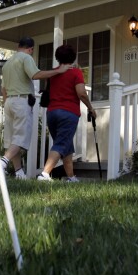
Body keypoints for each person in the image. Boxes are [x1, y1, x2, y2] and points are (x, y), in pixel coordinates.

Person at [0, 37, 69, 179]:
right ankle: (0, 164)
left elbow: (3, 89)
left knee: (12, 140)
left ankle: (19, 173)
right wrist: (58, 71)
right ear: (31, 49)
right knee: (20, 139)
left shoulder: (8, 63)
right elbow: (36, 74)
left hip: (8, 102)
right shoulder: (26, 58)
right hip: (21, 102)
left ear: (18, 46)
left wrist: (6, 103)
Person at [37, 44, 96, 183]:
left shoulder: (53, 73)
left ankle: (71, 177)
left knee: (65, 145)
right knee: (61, 143)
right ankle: (44, 174)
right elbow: (81, 93)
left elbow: (48, 91)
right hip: (68, 113)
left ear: (57, 58)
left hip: (52, 113)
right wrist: (90, 108)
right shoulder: (76, 72)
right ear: (73, 57)